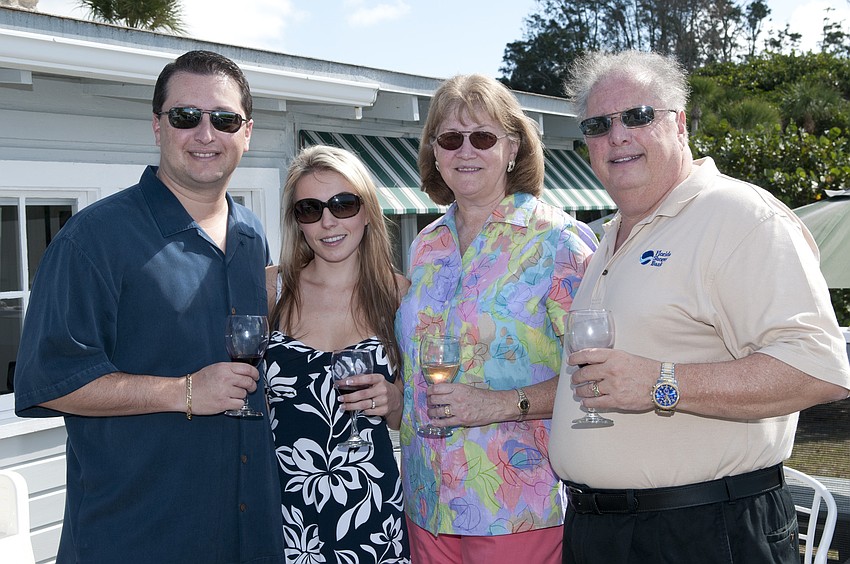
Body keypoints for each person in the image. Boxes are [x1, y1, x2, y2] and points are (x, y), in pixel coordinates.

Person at [550, 49, 850, 564]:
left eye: (638, 116)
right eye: (598, 125)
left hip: (703, 532)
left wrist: (660, 382)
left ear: (680, 122)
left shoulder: (738, 216)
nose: (617, 135)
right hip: (599, 532)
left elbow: (818, 369)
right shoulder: (607, 237)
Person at [14, 50, 284, 563]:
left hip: (247, 536)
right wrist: (184, 392)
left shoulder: (251, 236)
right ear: (157, 127)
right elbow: (51, 380)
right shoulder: (93, 240)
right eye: (186, 117)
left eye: (224, 119)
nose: (206, 134)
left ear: (247, 132)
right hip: (136, 539)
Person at [394, 73, 596, 563]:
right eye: (450, 138)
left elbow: (597, 378)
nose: (466, 150)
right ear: (435, 154)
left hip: (517, 507)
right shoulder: (425, 247)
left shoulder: (559, 242)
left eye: (482, 137)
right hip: (425, 500)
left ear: (512, 148)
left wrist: (499, 404)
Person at [265, 144, 411, 563]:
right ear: (298, 222)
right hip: (284, 513)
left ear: (367, 210)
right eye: (310, 209)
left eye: (343, 204)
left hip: (372, 514)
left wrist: (395, 400)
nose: (327, 221)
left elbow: (415, 417)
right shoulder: (270, 290)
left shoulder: (399, 295)